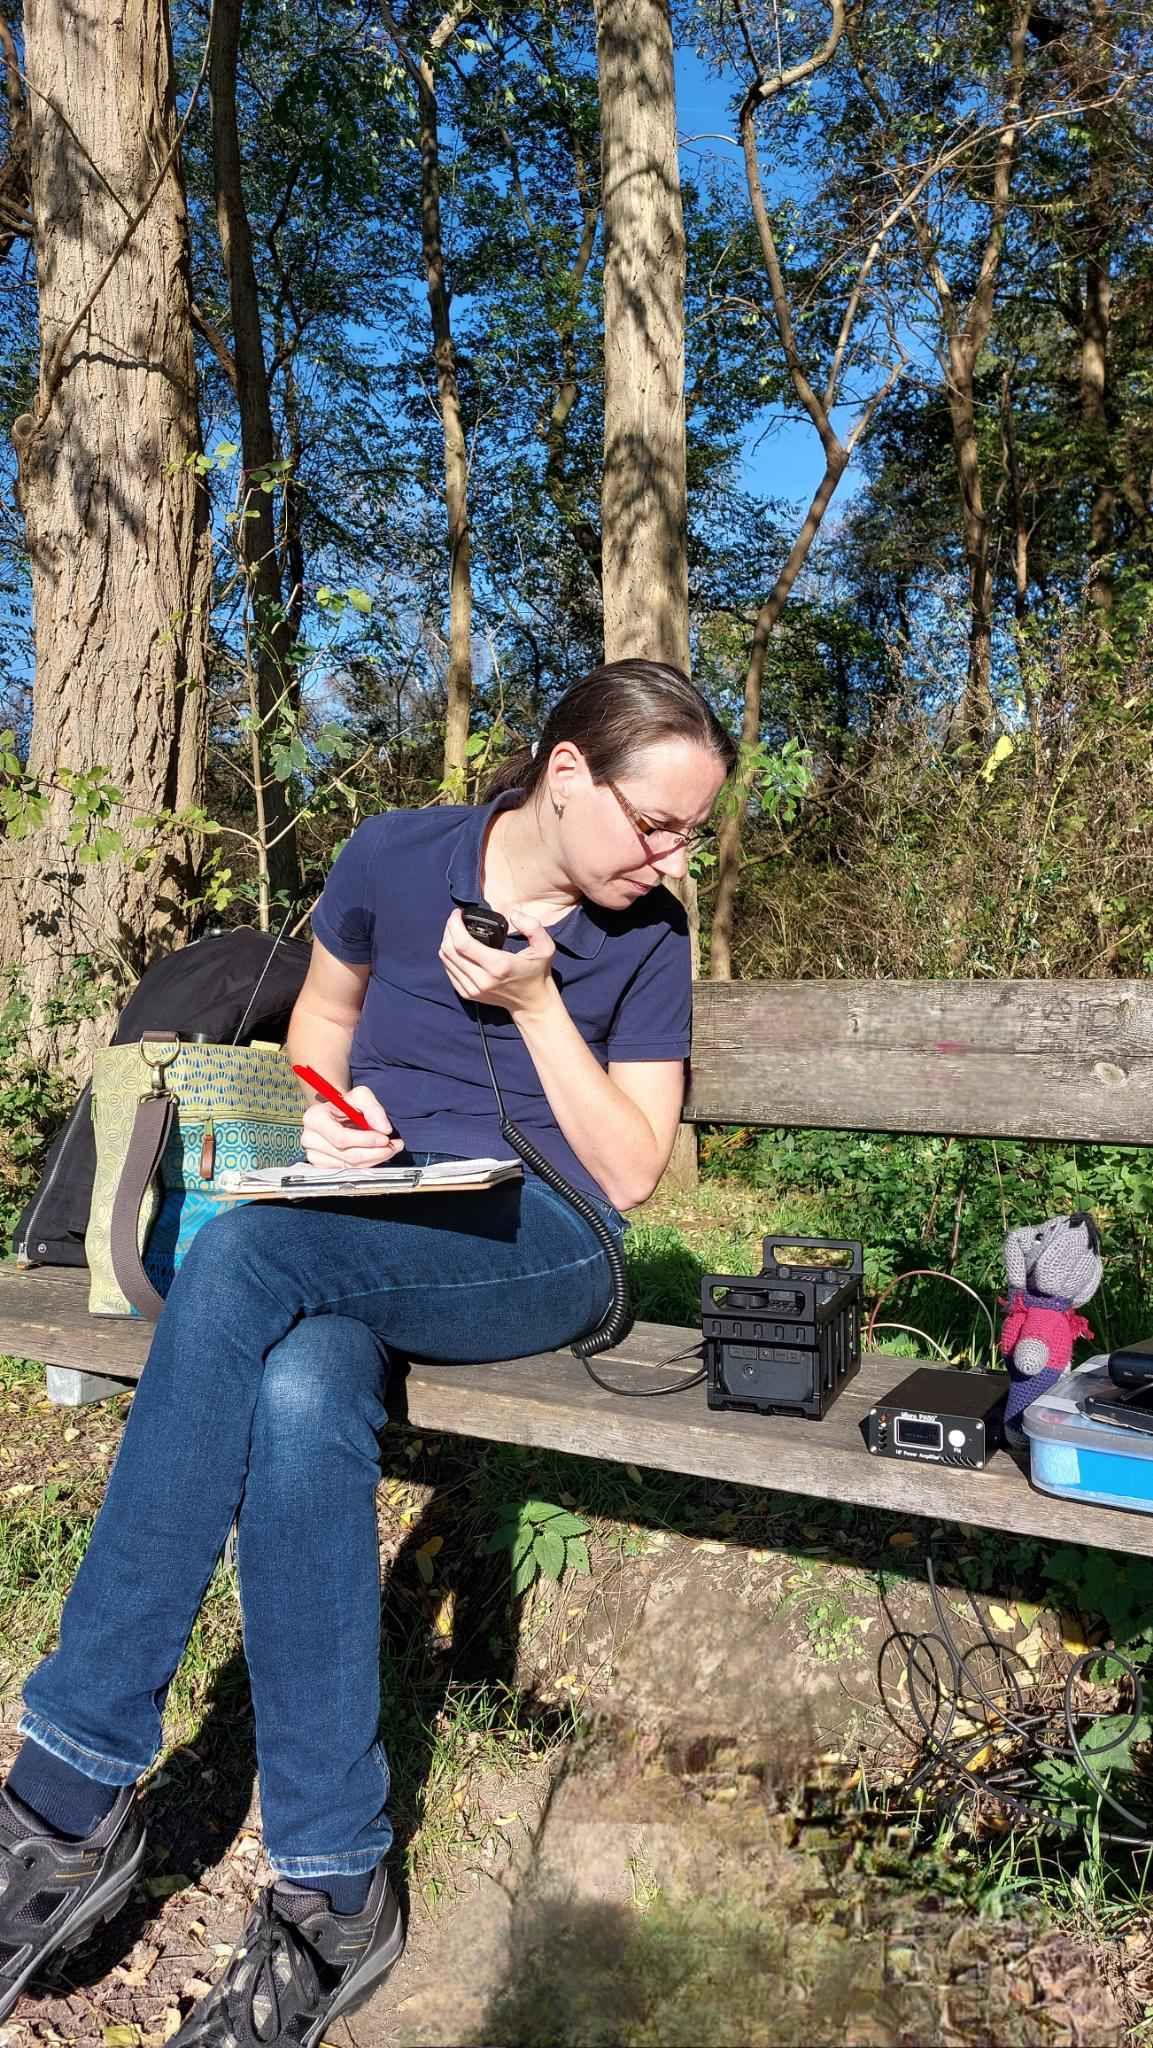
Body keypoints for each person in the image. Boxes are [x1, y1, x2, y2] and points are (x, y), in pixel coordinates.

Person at [0, 659, 735, 2045]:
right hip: (376, 1212)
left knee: (243, 1257)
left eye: (691, 833)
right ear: (564, 775)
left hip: (548, 1242)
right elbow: (322, 1022)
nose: (672, 857)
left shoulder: (647, 936)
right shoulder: (394, 857)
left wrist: (538, 1007)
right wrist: (327, 1118)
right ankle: (337, 1887)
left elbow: (632, 1173)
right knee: (298, 1382)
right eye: (656, 824)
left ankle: (61, 1793)